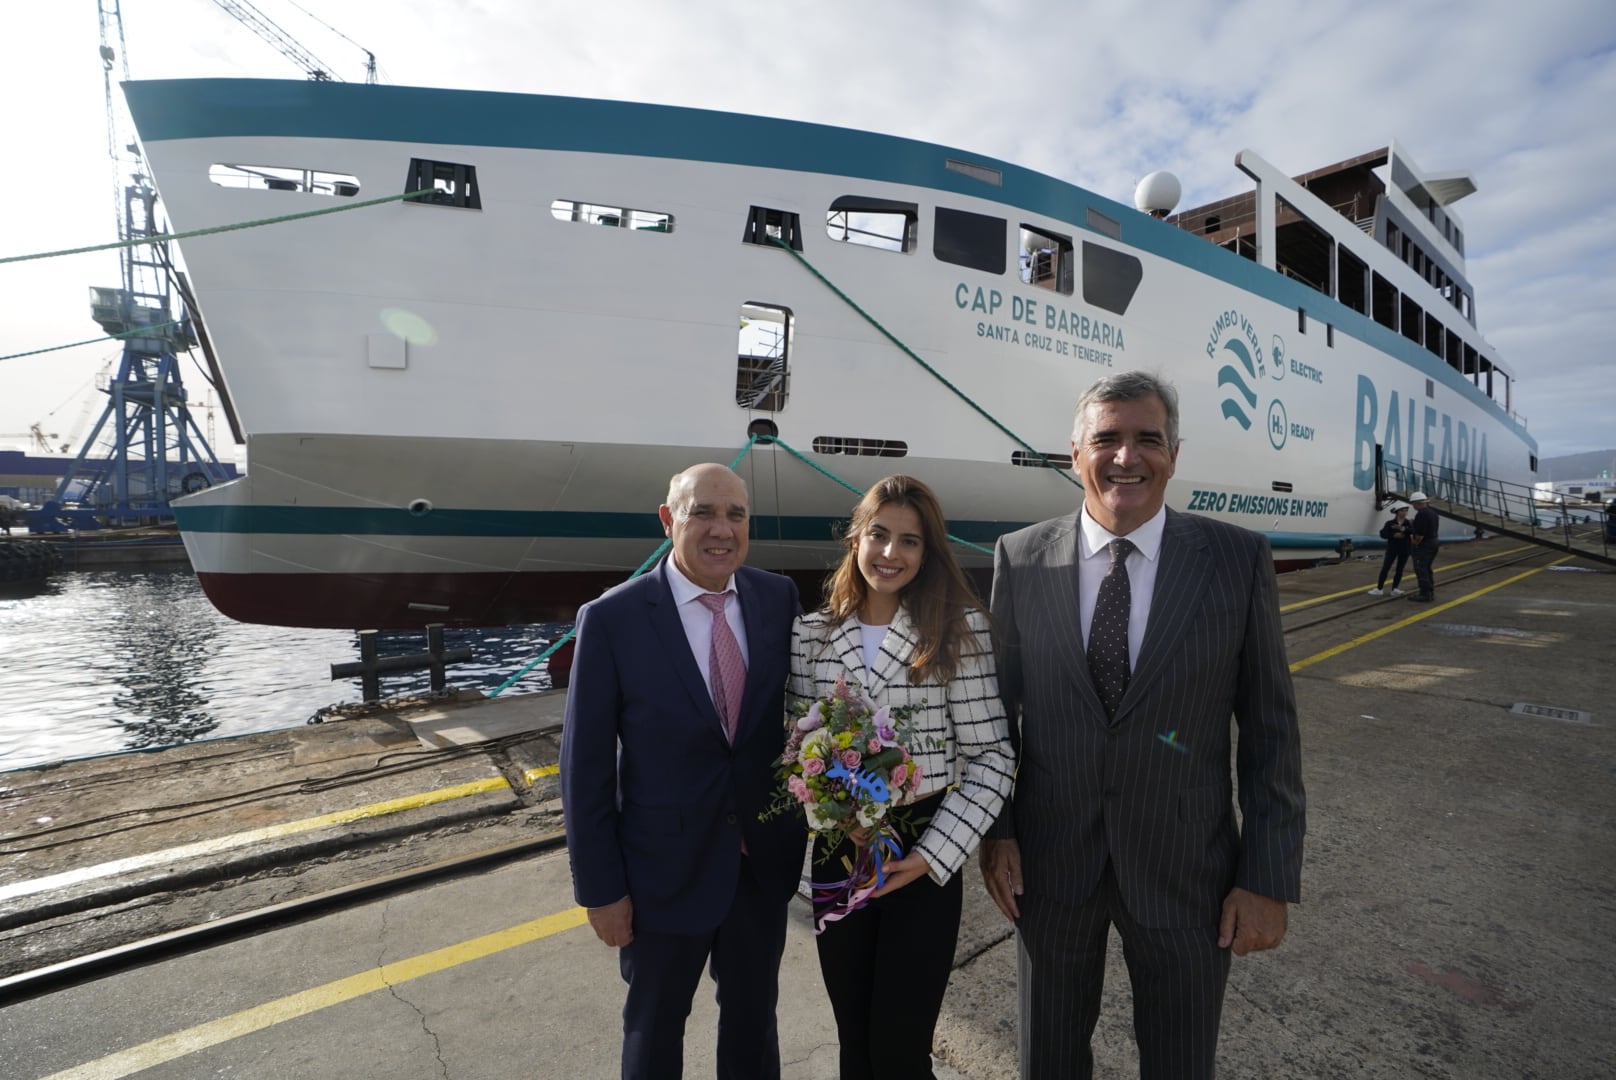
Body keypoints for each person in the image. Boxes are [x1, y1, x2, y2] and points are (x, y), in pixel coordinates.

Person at [980, 370, 1306, 1080]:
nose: (1127, 457)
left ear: (1174, 454)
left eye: (1147, 439)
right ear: (1076, 454)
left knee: (1181, 1061)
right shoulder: (1020, 557)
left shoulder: (1236, 559)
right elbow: (996, 715)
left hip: (1189, 866)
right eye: (1108, 439)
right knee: (1048, 1059)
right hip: (1050, 863)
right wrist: (998, 832)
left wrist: (1268, 877)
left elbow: (1271, 730)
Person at [559, 463, 805, 1080]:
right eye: (704, 513)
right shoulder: (612, 619)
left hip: (758, 867)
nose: (722, 529)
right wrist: (601, 890)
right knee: (654, 1029)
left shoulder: (777, 599)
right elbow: (583, 768)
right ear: (669, 521)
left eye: (736, 515)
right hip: (658, 878)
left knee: (754, 1026)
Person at [789, 474, 1015, 1080]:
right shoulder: (811, 635)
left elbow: (993, 757)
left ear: (928, 551)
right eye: (879, 535)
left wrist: (929, 857)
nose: (890, 554)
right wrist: (831, 809)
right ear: (855, 539)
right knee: (854, 1040)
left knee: (901, 1046)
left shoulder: (956, 630)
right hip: (840, 848)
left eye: (909, 542)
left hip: (921, 847)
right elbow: (794, 745)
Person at [1367, 501, 1413, 596]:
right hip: (1392, 548)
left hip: (1405, 549)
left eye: (1406, 511)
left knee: (1400, 569)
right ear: (1397, 512)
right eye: (1402, 511)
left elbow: (1413, 531)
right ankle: (1379, 588)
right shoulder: (1389, 523)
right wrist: (1393, 535)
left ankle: (1395, 588)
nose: (1404, 513)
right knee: (1385, 568)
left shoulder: (1409, 523)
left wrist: (1402, 529)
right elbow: (1383, 534)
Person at [1407, 491, 1440, 602]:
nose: (1413, 506)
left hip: (1425, 544)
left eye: (1413, 504)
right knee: (1427, 567)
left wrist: (1414, 542)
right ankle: (1430, 591)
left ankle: (1425, 593)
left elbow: (1420, 534)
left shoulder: (1421, 514)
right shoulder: (1433, 513)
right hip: (1434, 542)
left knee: (1421, 568)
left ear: (1417, 503)